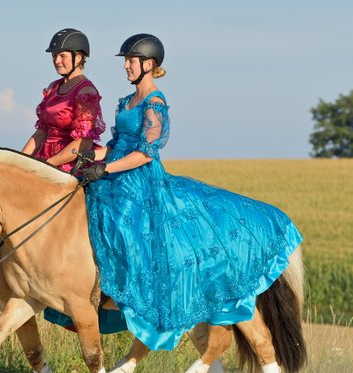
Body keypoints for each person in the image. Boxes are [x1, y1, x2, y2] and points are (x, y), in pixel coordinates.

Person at [78, 33, 303, 351]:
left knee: (125, 223)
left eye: (130, 60)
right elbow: (116, 146)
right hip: (116, 175)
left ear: (148, 64)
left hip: (140, 182)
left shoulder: (155, 102)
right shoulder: (124, 102)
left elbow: (146, 152)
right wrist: (94, 157)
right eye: (125, 60)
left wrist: (106, 169)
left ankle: (130, 288)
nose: (126, 66)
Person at [22, 28, 105, 173]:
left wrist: (50, 164)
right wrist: (19, 161)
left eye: (62, 56)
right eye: (54, 56)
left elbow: (84, 142)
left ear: (78, 57)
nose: (56, 61)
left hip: (69, 162)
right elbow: (41, 132)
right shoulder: (53, 87)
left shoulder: (86, 92)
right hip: (45, 157)